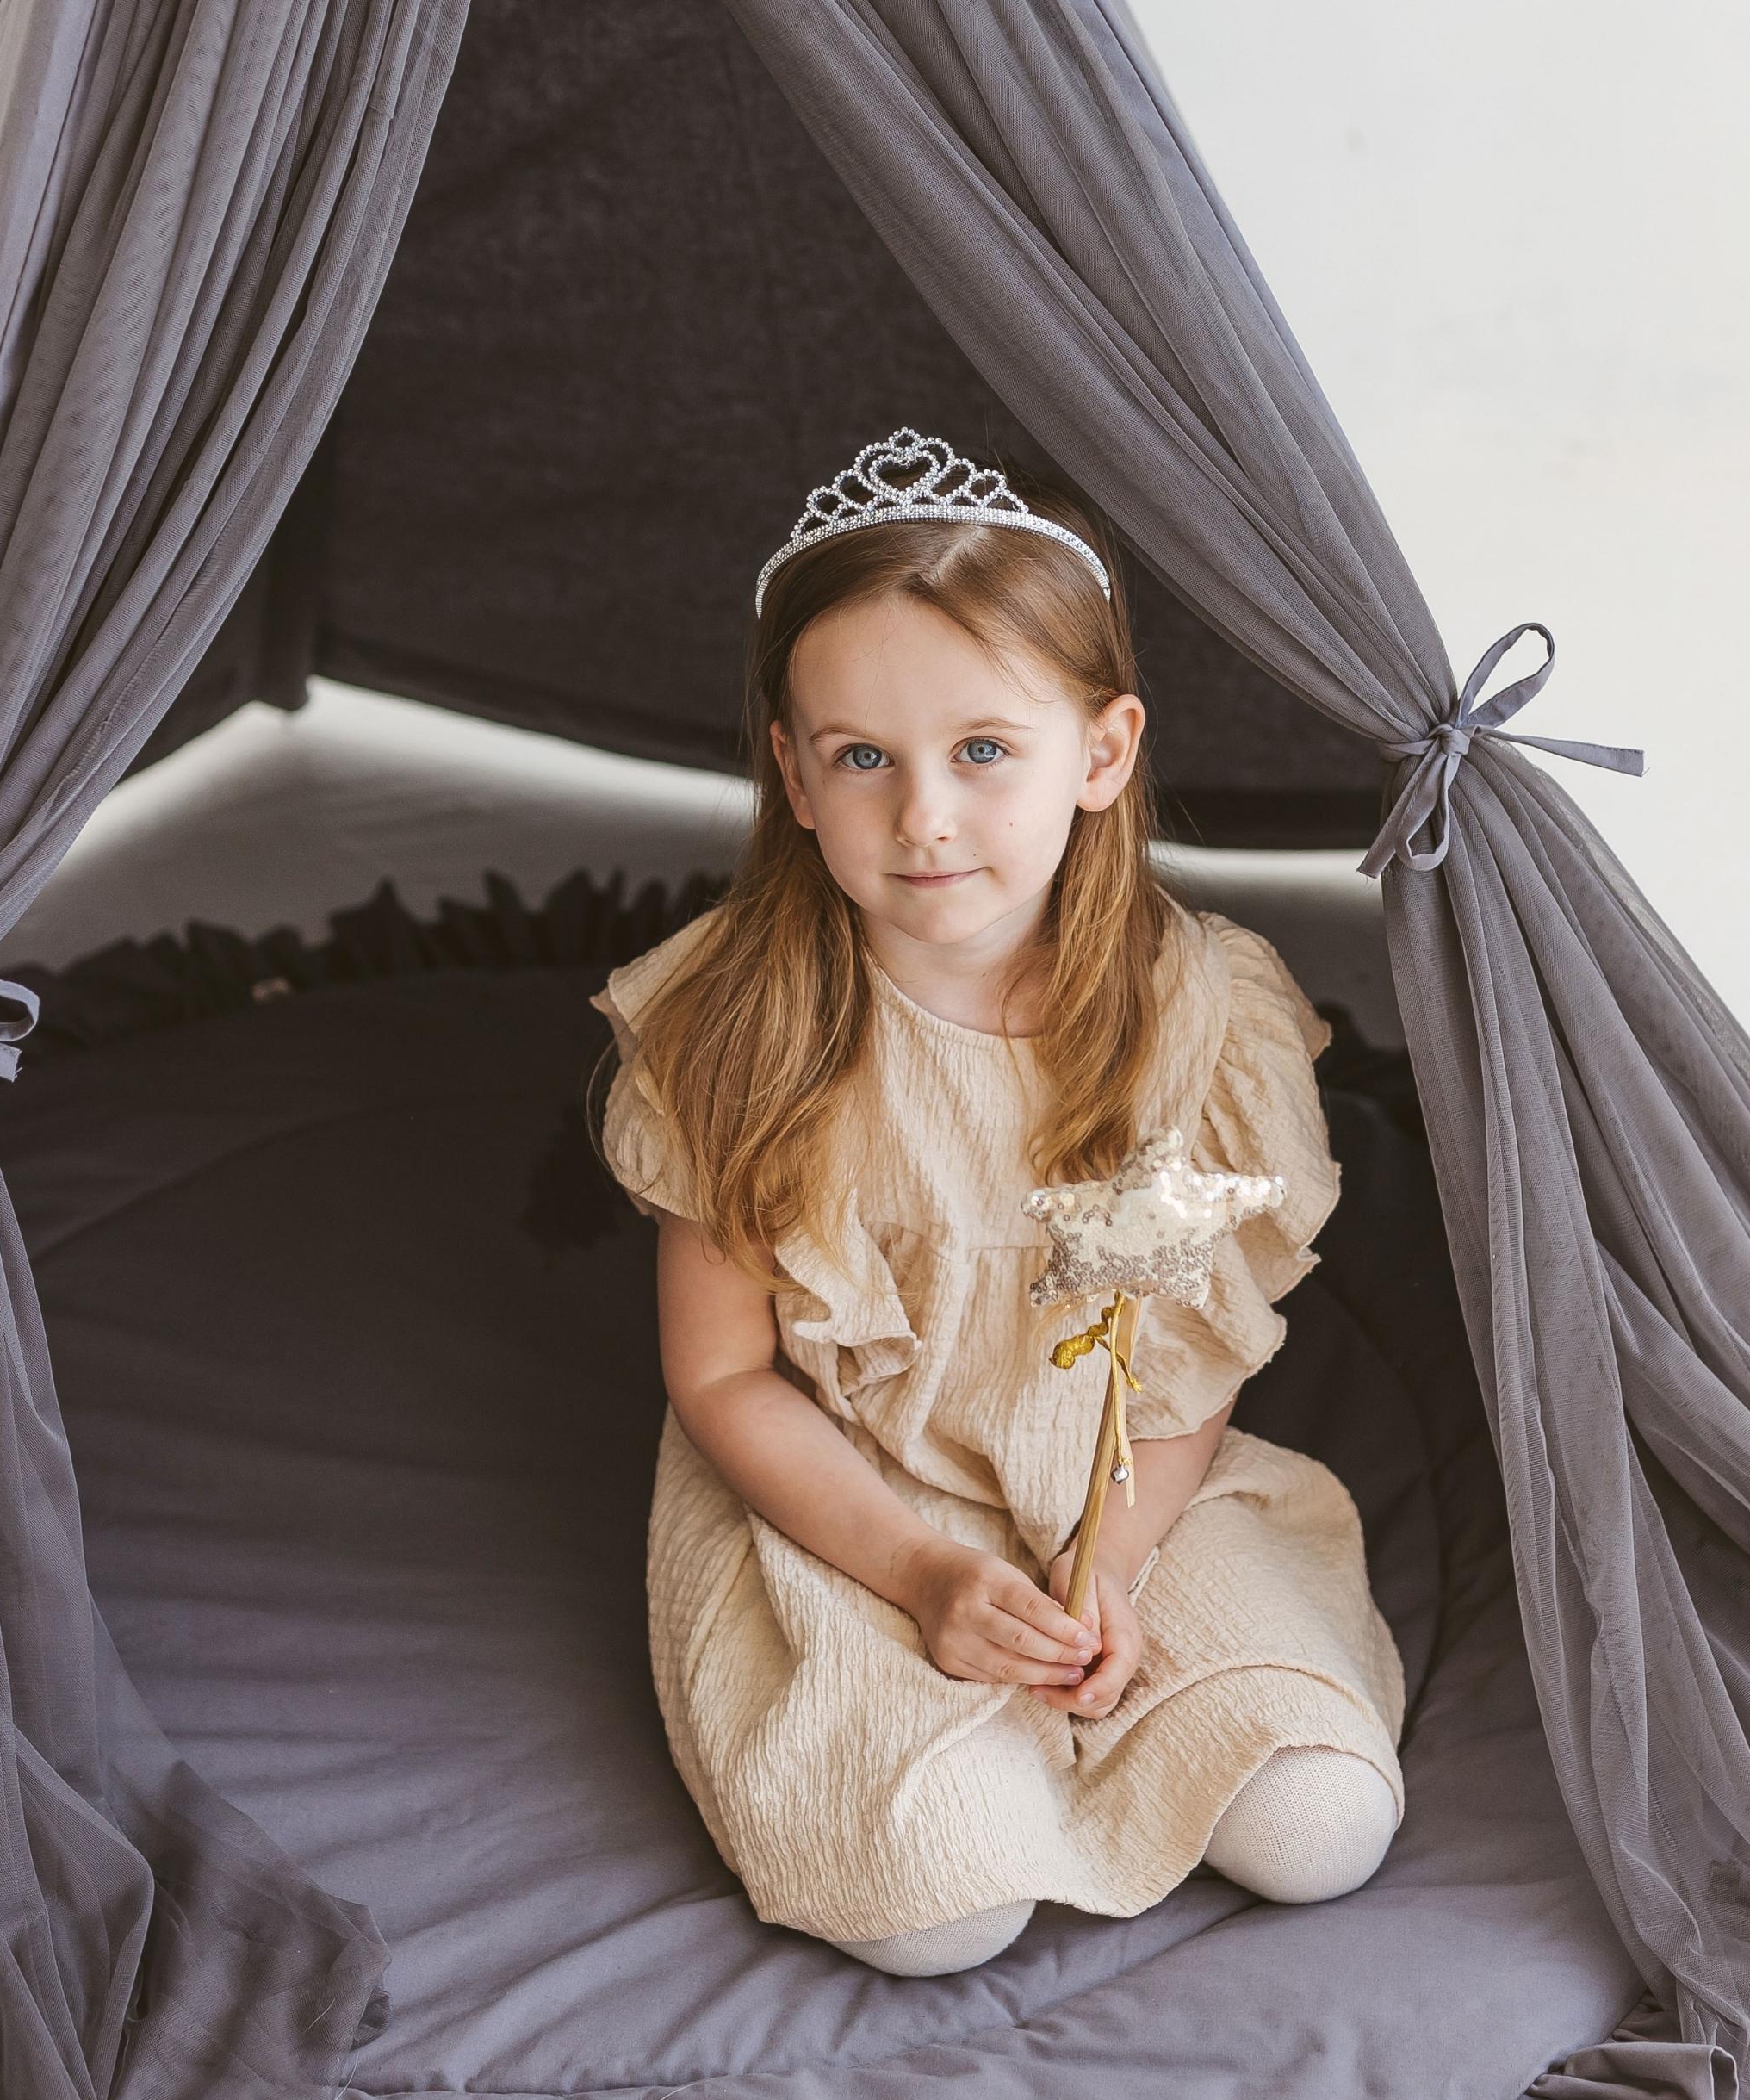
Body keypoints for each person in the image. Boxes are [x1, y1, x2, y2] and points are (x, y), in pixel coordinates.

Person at [589, 429, 1407, 1977]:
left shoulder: (1189, 1022)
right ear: (791, 771)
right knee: (937, 1915)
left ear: (1100, 754)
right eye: (862, 758)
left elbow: (1163, 1354)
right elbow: (721, 1376)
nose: (925, 822)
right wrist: (927, 1576)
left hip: (1110, 1480)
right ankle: (956, 1735)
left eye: (983, 751)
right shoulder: (740, 1031)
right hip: (849, 1499)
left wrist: (1105, 1565)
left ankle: (1112, 1691)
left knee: (1319, 1829)